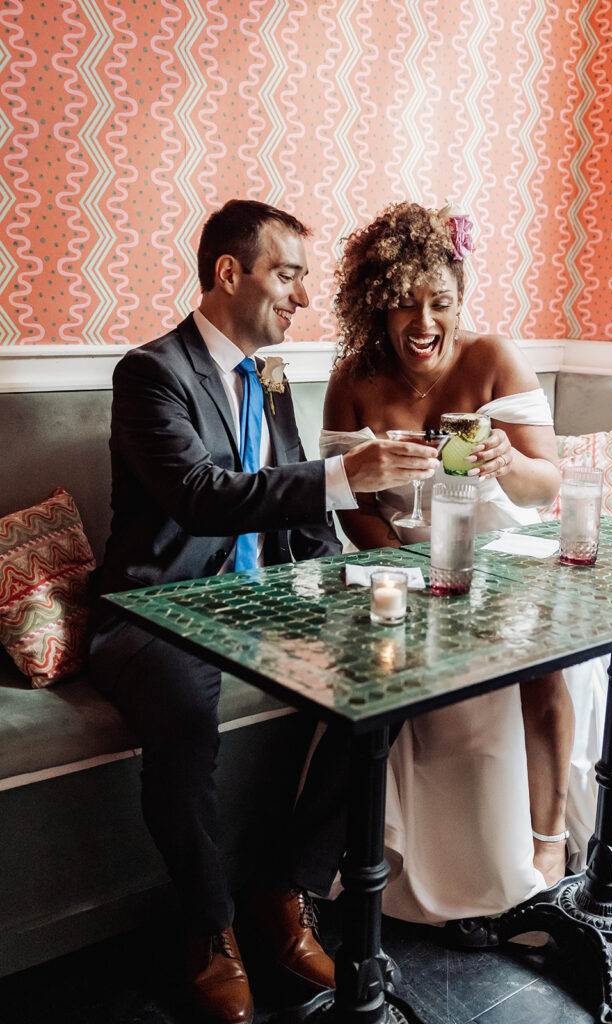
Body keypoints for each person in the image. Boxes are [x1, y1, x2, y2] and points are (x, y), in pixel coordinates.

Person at [88, 199, 440, 1024]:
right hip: (156, 605)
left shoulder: (271, 374)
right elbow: (198, 496)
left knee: (389, 672)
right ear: (227, 274)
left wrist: (344, 586)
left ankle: (284, 892)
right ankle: (210, 929)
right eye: (288, 277)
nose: (304, 299)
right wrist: (347, 473)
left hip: (259, 599)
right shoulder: (149, 372)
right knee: (183, 714)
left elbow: (295, 510)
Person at [320, 200, 612, 926]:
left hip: (509, 561)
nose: (423, 324)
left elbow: (545, 483)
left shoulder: (492, 358)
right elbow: (349, 504)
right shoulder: (352, 379)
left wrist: (504, 459)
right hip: (410, 576)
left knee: (540, 653)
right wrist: (395, 565)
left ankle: (546, 847)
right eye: (403, 306)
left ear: (459, 299)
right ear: (376, 307)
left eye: (439, 303)